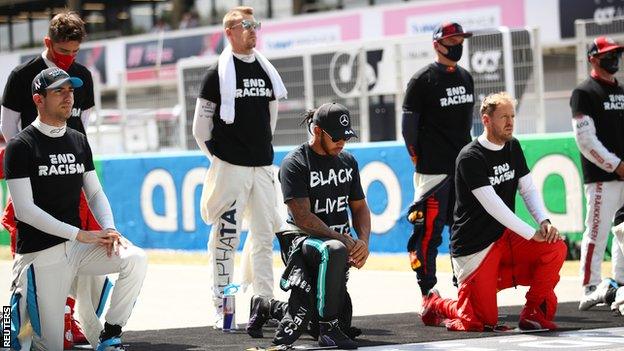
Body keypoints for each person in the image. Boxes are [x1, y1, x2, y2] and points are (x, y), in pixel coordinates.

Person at [7, 67, 147, 351]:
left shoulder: (78, 139)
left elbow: (94, 191)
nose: (68, 96)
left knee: (135, 258)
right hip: (39, 255)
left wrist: (108, 227)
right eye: (59, 90)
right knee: (41, 345)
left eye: (70, 90)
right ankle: (10, 322)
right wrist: (79, 234)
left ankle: (110, 334)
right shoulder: (20, 146)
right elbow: (25, 211)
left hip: (77, 249)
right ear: (38, 99)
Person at [0, 11, 110, 348]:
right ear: (48, 42)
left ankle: (67, 317)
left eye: (75, 53)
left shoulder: (83, 76)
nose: (69, 59)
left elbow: (84, 127)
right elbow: (8, 129)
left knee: (79, 251)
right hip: (32, 177)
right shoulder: (22, 75)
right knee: (27, 263)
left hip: (71, 175)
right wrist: (32, 161)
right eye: (63, 52)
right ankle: (12, 328)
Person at [419, 92, 567, 331]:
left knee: (555, 246)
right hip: (475, 246)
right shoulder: (470, 157)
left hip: (504, 238)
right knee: (478, 321)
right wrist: (531, 233)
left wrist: (544, 222)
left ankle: (531, 312)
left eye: (512, 116)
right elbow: (493, 205)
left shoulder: (513, 146)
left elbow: (528, 189)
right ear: (486, 120)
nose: (510, 123)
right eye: (503, 117)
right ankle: (435, 302)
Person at [192, 6, 287, 328]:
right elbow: (200, 131)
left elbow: (270, 121)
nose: (252, 30)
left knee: (263, 237)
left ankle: (264, 302)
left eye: (255, 24)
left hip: (262, 167)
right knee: (225, 238)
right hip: (230, 168)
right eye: (245, 25)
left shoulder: (266, 71)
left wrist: (256, 152)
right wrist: (222, 160)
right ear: (228, 32)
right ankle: (224, 306)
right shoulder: (214, 75)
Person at [247, 103, 370, 349]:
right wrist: (342, 239)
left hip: (336, 243)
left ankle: (266, 306)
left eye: (346, 137)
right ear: (317, 131)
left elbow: (359, 208)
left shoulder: (348, 162)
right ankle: (329, 329)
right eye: (336, 137)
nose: (342, 143)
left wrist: (363, 242)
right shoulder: (295, 163)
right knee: (333, 249)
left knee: (316, 316)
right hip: (301, 242)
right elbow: (302, 217)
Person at [401, 22, 475, 300]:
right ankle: (428, 291)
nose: (458, 44)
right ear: (437, 44)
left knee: (466, 230)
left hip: (463, 170)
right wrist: (419, 159)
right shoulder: (422, 80)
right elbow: (408, 128)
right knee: (428, 234)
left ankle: (465, 286)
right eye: (452, 40)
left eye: (460, 39)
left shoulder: (466, 77)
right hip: (433, 171)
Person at [570, 36, 624, 311]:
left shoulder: (622, 91)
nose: (614, 58)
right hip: (603, 177)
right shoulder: (584, 92)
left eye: (617, 53)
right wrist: (616, 165)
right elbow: (585, 140)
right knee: (597, 232)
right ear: (592, 57)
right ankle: (590, 287)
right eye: (608, 54)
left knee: (623, 232)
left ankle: (620, 285)